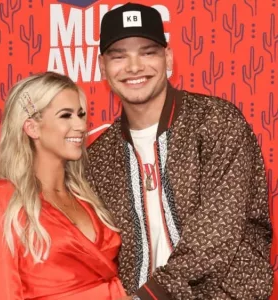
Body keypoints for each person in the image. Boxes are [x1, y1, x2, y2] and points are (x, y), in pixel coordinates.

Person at [86, 2, 273, 299]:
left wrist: (150, 294)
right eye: (119, 56)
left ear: (168, 57)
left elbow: (217, 232)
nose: (134, 67)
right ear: (101, 67)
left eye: (148, 53)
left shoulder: (216, 122)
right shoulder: (98, 158)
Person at [0, 72, 126, 299]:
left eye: (81, 114)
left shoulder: (88, 196)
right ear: (32, 128)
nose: (80, 125)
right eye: (65, 116)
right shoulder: (0, 200)